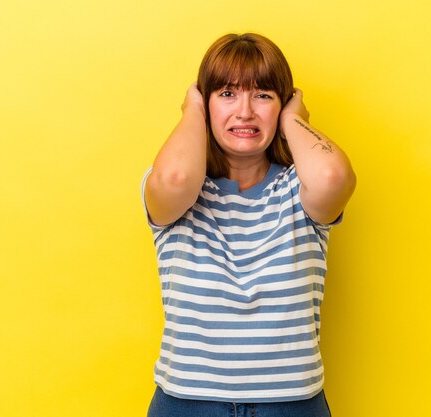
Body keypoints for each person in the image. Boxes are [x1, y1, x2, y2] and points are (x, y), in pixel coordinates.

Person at [141, 33, 356, 417]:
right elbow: (174, 178)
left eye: (263, 95)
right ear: (206, 105)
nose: (244, 111)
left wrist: (293, 119)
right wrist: (192, 110)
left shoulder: (300, 190)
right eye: (226, 94)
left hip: (291, 405)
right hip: (188, 403)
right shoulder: (178, 192)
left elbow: (333, 178)